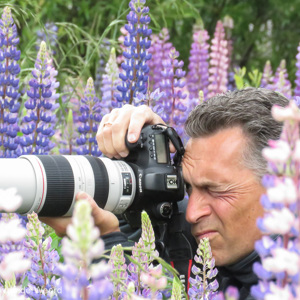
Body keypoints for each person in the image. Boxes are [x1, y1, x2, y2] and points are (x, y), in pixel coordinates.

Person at [41, 87, 289, 300]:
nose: (192, 212)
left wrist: (107, 248)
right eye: (188, 188)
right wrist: (140, 175)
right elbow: (148, 235)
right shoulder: (198, 239)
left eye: (215, 189)